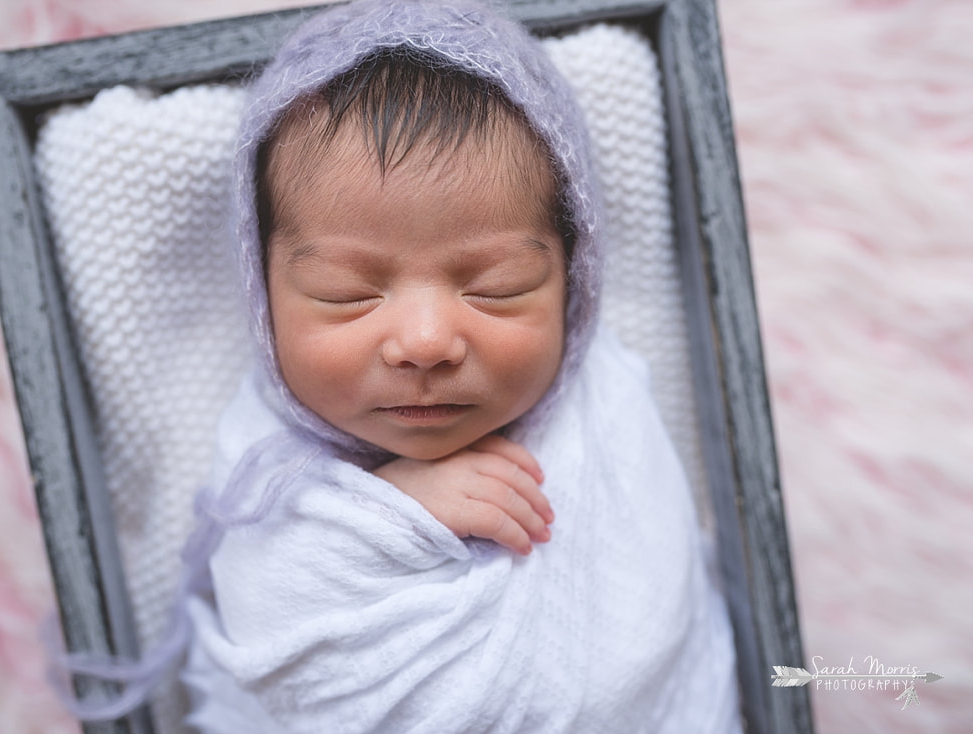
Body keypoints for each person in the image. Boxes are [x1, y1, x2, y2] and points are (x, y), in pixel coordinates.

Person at [168, 1, 743, 731]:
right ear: (261, 293)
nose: (427, 340)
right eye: (346, 295)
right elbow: (284, 639)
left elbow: (646, 622)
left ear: (576, 281)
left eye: (495, 288)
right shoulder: (261, 462)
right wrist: (397, 514)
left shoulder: (606, 408)